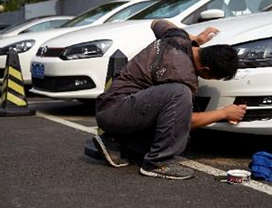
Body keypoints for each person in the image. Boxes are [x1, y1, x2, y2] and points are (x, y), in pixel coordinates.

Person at [94, 19, 247, 180]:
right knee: (180, 98)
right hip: (116, 112)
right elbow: (184, 120)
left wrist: (195, 38)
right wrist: (224, 113)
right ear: (205, 69)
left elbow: (156, 22)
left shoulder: (178, 37)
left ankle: (117, 143)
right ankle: (158, 163)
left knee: (178, 129)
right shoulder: (182, 76)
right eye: (215, 77)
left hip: (111, 105)